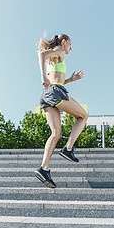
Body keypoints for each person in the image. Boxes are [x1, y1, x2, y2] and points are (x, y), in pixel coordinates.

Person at [34, 34, 88, 188]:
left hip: (47, 94)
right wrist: (42, 75)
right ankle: (68, 148)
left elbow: (57, 79)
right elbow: (41, 53)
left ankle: (44, 168)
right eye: (70, 44)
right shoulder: (59, 51)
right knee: (83, 116)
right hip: (56, 92)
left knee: (56, 133)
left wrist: (71, 80)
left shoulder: (56, 57)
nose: (71, 47)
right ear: (64, 42)